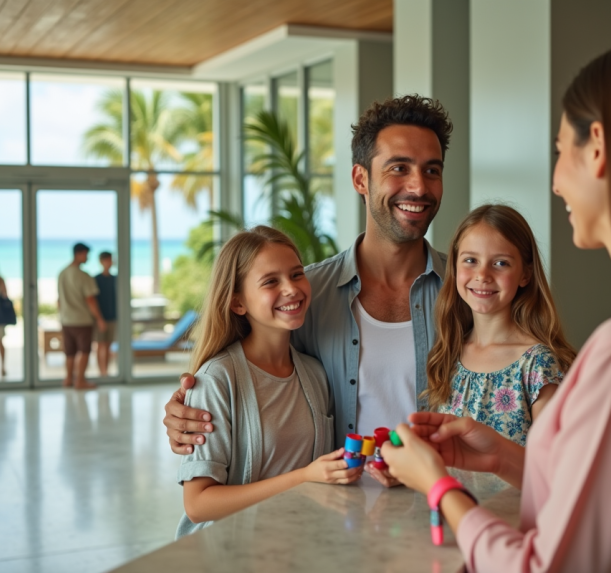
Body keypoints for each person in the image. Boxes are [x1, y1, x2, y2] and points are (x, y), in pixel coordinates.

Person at [381, 35, 611, 572]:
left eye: (560, 151)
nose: (555, 183)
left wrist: (438, 487)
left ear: (597, 147)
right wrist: (503, 457)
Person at [163, 95, 453, 488]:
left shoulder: (467, 292)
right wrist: (186, 411)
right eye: (399, 168)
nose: (418, 186)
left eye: (431, 170)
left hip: (440, 508)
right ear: (360, 179)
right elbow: (244, 366)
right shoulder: (306, 294)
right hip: (333, 520)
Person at [176, 226, 360, 539]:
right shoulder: (216, 380)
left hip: (295, 548)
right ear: (238, 303)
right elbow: (198, 504)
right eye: (271, 281)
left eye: (297, 274)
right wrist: (304, 478)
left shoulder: (315, 374)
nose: (291, 289)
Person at [425, 204, 576, 445]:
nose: (482, 275)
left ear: (525, 274)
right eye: (471, 260)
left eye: (501, 263)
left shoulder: (539, 365)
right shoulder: (448, 354)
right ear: (454, 267)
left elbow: (551, 466)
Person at [58, 242, 105, 390]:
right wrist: (99, 319)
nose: (88, 258)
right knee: (84, 351)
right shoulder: (83, 276)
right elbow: (90, 300)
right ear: (79, 253)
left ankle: (68, 379)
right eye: (86, 254)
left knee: (70, 352)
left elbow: (59, 300)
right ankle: (80, 380)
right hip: (82, 320)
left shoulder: (62, 273)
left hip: (66, 320)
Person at [93, 251, 117, 377]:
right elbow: (93, 301)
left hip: (113, 317)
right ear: (101, 262)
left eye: (110, 259)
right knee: (100, 344)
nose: (109, 262)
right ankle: (100, 371)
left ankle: (105, 371)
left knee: (108, 345)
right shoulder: (96, 279)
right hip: (100, 318)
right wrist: (99, 319)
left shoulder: (115, 279)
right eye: (106, 260)